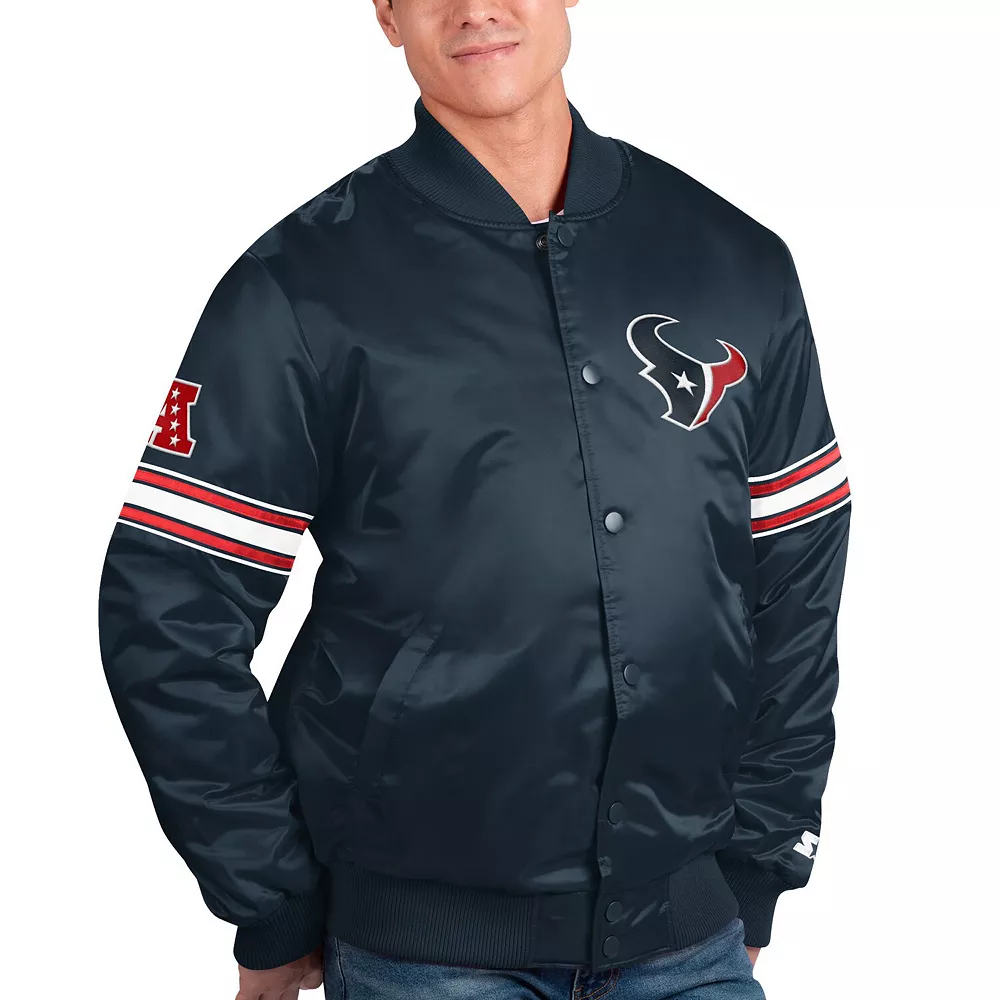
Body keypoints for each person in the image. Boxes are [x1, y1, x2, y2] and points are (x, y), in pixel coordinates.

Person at [97, 2, 852, 998]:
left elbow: (797, 582)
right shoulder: (301, 286)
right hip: (420, 954)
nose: (476, 6)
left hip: (690, 940)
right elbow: (169, 608)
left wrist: (760, 860)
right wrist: (270, 894)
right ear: (386, 12)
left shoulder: (733, 259)